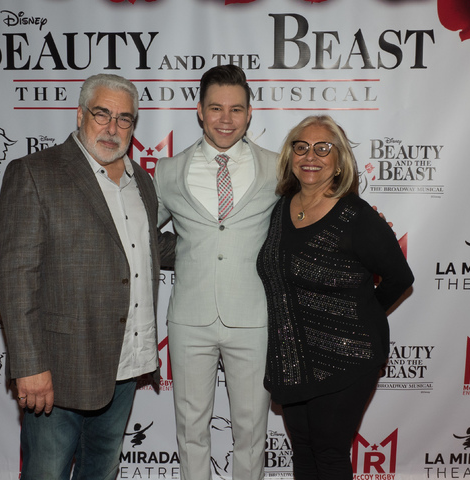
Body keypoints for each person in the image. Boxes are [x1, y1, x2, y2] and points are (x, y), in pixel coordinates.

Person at [0, 73, 174, 480]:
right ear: (80, 114)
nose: (113, 128)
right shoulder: (36, 173)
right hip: (58, 371)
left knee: (102, 472)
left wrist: (225, 244)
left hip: (125, 366)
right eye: (102, 114)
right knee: (47, 473)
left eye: (124, 119)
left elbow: (149, 249)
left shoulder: (141, 181)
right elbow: (15, 278)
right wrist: (29, 365)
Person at [256, 115, 414, 480]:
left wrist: (358, 317)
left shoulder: (356, 216)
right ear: (290, 156)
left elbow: (399, 277)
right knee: (305, 452)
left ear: (340, 159)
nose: (311, 156)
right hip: (294, 356)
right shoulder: (281, 207)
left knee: (329, 453)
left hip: (348, 357)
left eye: (323, 148)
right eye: (301, 147)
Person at [153, 65, 278, 480]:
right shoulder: (167, 171)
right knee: (191, 431)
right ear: (200, 111)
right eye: (216, 108)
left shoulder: (278, 169)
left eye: (236, 109)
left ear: (249, 113)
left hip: (253, 317)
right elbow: (138, 236)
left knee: (251, 430)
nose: (226, 119)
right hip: (189, 318)